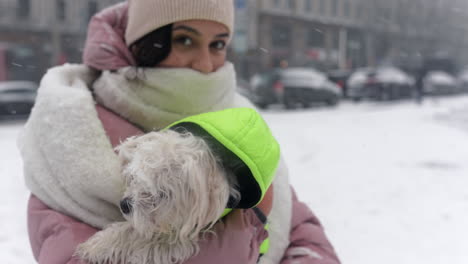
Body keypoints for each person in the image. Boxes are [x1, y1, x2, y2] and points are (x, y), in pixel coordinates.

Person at [18, 1, 341, 264]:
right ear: (147, 45)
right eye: (185, 40)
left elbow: (300, 229)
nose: (205, 63)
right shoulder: (70, 137)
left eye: (218, 44)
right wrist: (243, 231)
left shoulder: (237, 122)